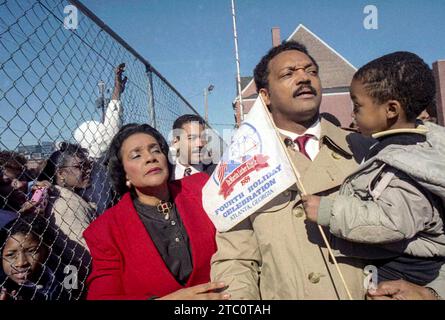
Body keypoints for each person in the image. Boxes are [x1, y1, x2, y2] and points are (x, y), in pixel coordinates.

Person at [211, 41, 377, 300]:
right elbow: (236, 260)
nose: (303, 78)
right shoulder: (242, 167)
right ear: (265, 96)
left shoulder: (365, 150)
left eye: (311, 71)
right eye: (288, 74)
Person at [302, 52, 445, 288]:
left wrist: (330, 210)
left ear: (391, 110)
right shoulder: (404, 145)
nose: (352, 114)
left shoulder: (407, 162)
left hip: (408, 270)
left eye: (357, 106)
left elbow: (394, 222)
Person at [83, 123, 229, 300]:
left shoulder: (201, 189)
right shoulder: (105, 230)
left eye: (156, 150)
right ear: (125, 174)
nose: (150, 158)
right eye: (136, 155)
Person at [74, 63, 128, 216]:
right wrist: (116, 91)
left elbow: (112, 126)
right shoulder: (85, 165)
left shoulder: (99, 160)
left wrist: (117, 91)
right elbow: (112, 128)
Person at [0, 214, 69, 300]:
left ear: (47, 249)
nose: (21, 263)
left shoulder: (66, 269)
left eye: (31, 251)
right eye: (10, 255)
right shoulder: (5, 289)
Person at [171, 114, 216, 180]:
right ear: (176, 141)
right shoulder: (166, 173)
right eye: (191, 138)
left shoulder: (216, 173)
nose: (200, 144)